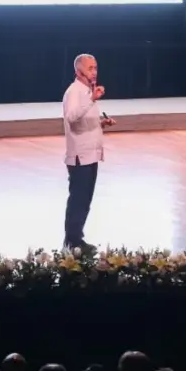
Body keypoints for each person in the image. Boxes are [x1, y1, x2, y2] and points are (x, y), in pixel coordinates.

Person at [62, 53, 115, 253]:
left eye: (95, 67)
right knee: (78, 200)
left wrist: (101, 123)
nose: (94, 71)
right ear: (79, 71)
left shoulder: (87, 92)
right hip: (79, 156)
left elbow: (83, 121)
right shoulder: (74, 92)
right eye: (90, 68)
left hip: (91, 155)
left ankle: (78, 239)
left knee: (85, 201)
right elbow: (72, 117)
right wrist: (91, 99)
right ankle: (71, 242)